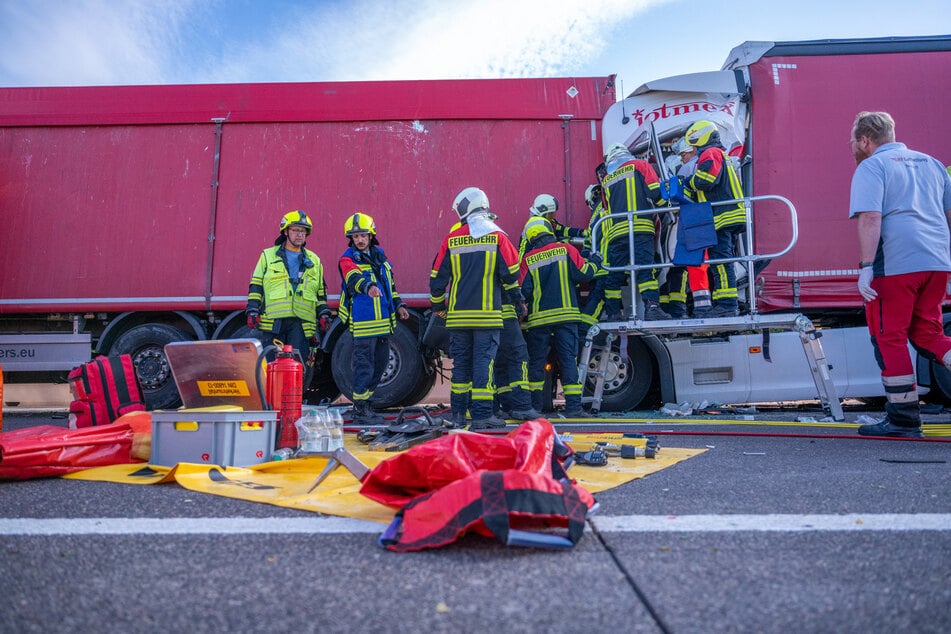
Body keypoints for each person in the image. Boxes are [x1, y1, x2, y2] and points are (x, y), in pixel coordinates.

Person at [849, 110, 951, 438]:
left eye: (853, 140)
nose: (852, 145)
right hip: (936, 261)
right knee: (927, 335)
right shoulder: (932, 163)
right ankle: (904, 417)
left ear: (865, 140)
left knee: (889, 336)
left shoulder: (872, 166)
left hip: (895, 264)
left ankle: (904, 419)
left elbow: (870, 217)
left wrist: (866, 268)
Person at [430, 187, 523, 429]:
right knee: (484, 365)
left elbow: (436, 279)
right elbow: (512, 275)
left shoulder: (451, 239)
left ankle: (459, 414)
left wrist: (438, 307)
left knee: (461, 366)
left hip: (458, 319)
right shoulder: (498, 237)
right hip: (487, 317)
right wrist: (518, 301)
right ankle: (482, 415)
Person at [520, 218, 598, 416]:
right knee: (568, 361)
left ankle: (535, 409)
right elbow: (584, 274)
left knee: (536, 365)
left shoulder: (528, 259)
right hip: (566, 318)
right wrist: (596, 261)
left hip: (538, 322)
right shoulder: (566, 249)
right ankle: (573, 408)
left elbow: (523, 292)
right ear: (548, 231)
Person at [337, 212, 409, 423]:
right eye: (356, 236)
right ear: (351, 238)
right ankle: (359, 408)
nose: (359, 240)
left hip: (383, 323)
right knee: (363, 367)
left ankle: (368, 404)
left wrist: (399, 305)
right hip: (364, 323)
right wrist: (367, 286)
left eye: (363, 235)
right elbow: (353, 278)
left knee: (381, 363)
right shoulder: (348, 258)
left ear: (371, 236)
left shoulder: (380, 257)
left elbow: (390, 287)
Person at [246, 210, 331, 388]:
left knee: (299, 368)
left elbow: (320, 293)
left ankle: (293, 406)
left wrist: (323, 313)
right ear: (285, 232)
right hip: (274, 323)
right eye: (295, 230)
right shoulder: (268, 256)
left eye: (303, 231)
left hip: (301, 323)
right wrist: (253, 309)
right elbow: (256, 285)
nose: (299, 234)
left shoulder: (314, 260)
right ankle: (272, 407)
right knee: (271, 367)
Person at [599, 143, 669, 321]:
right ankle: (652, 308)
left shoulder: (606, 180)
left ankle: (613, 312)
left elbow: (607, 208)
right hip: (640, 228)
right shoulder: (640, 166)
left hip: (616, 234)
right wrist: (668, 207)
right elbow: (655, 193)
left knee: (614, 275)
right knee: (645, 270)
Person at [683, 120, 747, 317]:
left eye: (694, 142)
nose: (693, 147)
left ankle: (727, 305)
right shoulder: (719, 154)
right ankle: (724, 303)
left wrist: (687, 182)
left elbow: (706, 180)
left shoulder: (710, 153)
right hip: (726, 215)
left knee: (721, 262)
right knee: (722, 261)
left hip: (722, 216)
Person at [661, 136, 712, 318]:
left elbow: (678, 195)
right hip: (700, 220)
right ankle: (700, 309)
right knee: (696, 266)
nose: (682, 158)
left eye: (684, 154)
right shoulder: (706, 162)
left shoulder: (689, 167)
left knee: (694, 266)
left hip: (693, 221)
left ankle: (701, 309)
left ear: (693, 150)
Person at [517, 193, 586, 261]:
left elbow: (562, 230)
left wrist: (581, 232)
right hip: (528, 265)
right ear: (543, 211)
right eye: (551, 213)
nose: (553, 216)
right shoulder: (536, 225)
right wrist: (568, 241)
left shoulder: (546, 221)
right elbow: (549, 247)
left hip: (536, 260)